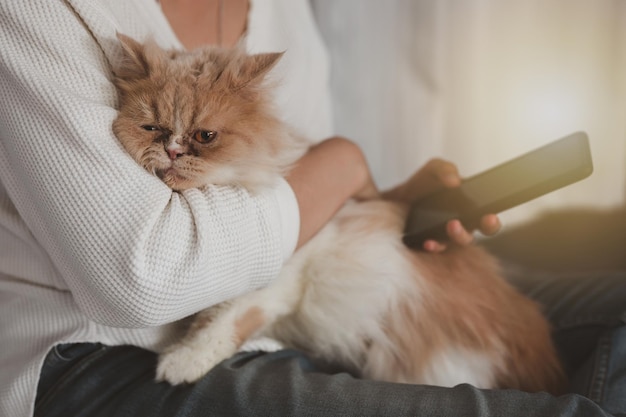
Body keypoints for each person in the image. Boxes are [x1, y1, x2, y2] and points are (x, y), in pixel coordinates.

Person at [0, 1, 623, 416]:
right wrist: (342, 163)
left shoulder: (280, 12)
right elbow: (144, 279)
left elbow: (291, 213)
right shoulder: (37, 14)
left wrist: (373, 200)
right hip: (97, 357)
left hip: (272, 320)